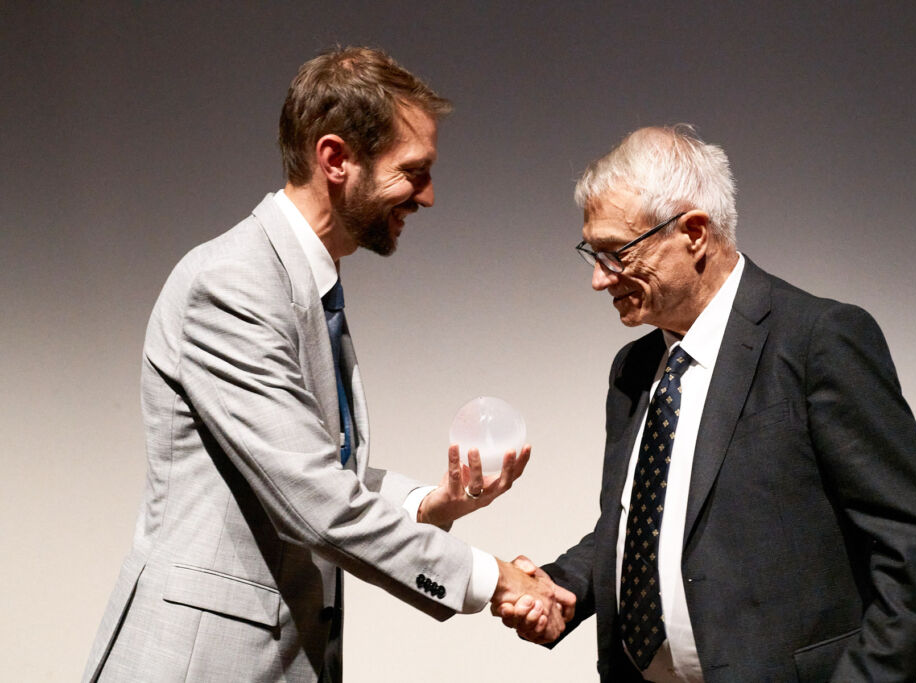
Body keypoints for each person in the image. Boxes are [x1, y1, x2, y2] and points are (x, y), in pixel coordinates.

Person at [82, 46, 572, 683]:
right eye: (413, 171)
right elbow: (314, 500)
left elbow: (308, 470)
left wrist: (430, 503)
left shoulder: (305, 282)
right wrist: (489, 578)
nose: (428, 196)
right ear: (335, 159)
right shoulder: (234, 284)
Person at [500, 125, 916, 682]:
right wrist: (565, 587)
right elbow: (645, 524)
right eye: (591, 254)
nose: (600, 279)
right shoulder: (633, 368)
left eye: (615, 253)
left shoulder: (818, 340)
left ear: (694, 232)